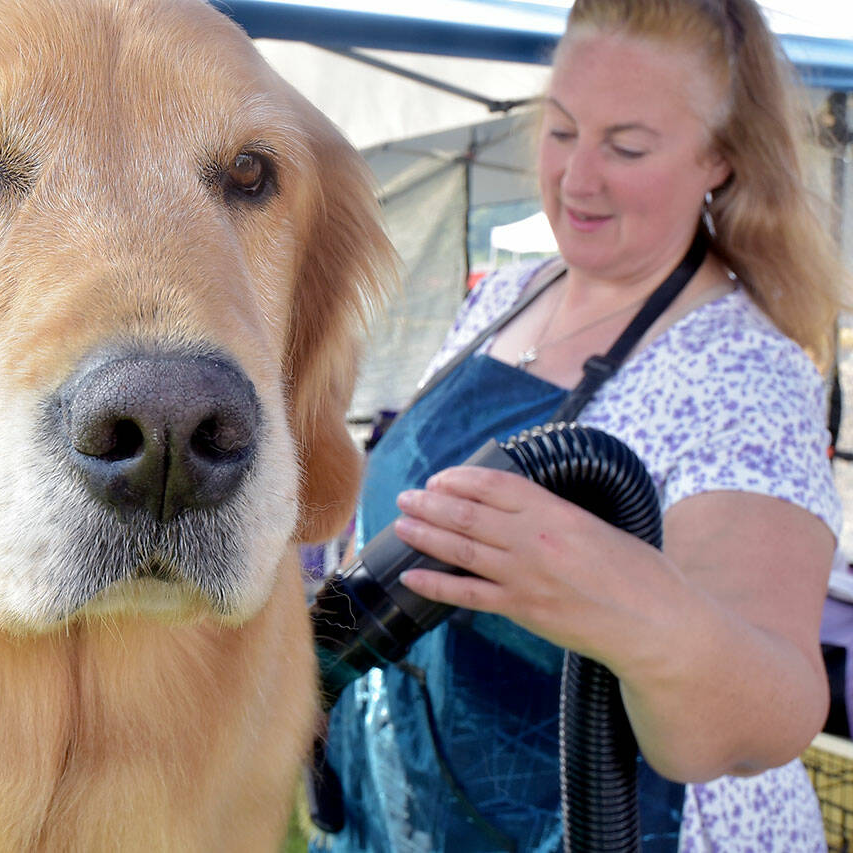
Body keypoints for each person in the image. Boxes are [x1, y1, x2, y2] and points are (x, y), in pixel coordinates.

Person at [319, 0, 848, 850]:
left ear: (719, 156)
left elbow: (771, 710)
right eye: (562, 132)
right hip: (411, 803)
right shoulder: (510, 296)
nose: (577, 179)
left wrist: (631, 605)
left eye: (627, 146)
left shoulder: (743, 373)